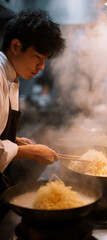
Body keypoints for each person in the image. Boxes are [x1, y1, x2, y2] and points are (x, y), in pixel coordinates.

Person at [0, 9, 65, 194]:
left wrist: (15, 141)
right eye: (37, 57)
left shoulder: (11, 74)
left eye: (45, 59)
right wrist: (34, 152)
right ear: (15, 46)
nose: (41, 66)